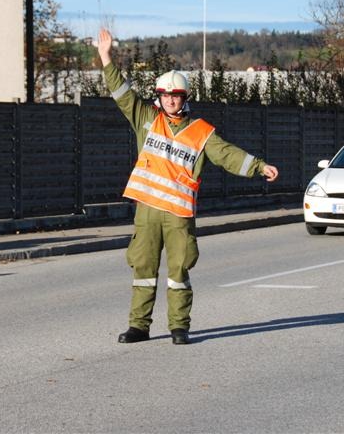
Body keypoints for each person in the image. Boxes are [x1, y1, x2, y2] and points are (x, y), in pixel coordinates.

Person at [97, 28, 279, 345]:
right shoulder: (146, 119)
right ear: (159, 97)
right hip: (147, 211)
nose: (170, 100)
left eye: (176, 95)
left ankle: (179, 327)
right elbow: (122, 92)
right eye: (165, 95)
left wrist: (259, 166)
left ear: (184, 98)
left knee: (179, 271)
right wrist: (105, 56)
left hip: (178, 214)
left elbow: (227, 154)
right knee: (143, 268)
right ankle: (139, 326)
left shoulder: (200, 132)